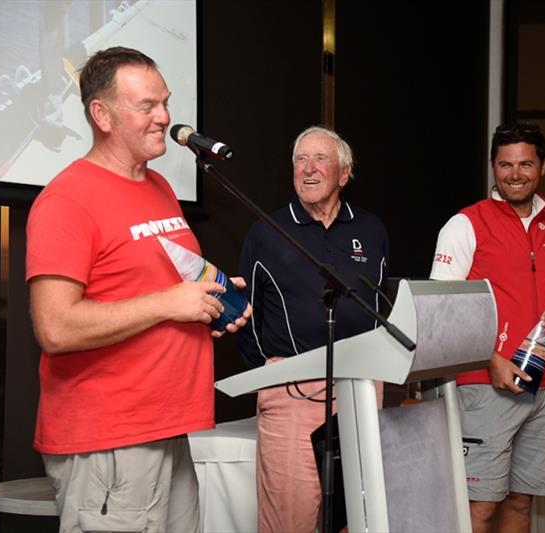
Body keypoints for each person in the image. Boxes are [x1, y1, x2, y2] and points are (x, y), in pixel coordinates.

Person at [26, 46, 251, 533]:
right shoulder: (66, 201)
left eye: (165, 102)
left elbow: (154, 285)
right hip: (110, 439)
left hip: (169, 426)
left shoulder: (158, 188)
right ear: (101, 115)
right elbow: (55, 326)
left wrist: (209, 298)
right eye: (147, 106)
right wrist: (168, 303)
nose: (165, 117)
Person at [430, 122, 545, 533]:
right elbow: (442, 311)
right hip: (484, 383)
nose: (515, 173)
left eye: (525, 163)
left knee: (520, 503)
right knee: (478, 506)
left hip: (544, 386)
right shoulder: (465, 224)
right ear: (493, 167)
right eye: (505, 164)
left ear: (543, 166)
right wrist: (490, 358)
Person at [237, 126, 389, 533]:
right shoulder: (266, 232)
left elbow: (380, 306)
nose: (308, 169)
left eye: (320, 159)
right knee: (293, 517)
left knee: (358, 517)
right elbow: (244, 309)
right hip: (293, 392)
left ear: (343, 173)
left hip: (361, 391)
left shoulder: (371, 231)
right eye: (300, 160)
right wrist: (266, 371)